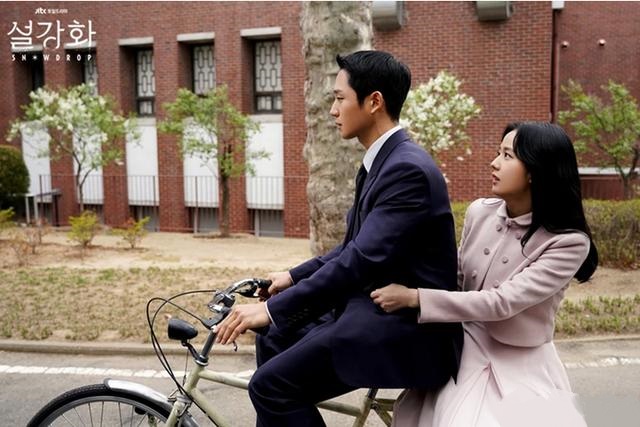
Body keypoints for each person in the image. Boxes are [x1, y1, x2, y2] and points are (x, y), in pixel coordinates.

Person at [215, 50, 464, 426]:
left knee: (270, 387)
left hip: (406, 329)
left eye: (339, 98)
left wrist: (270, 309)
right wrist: (293, 277)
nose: (333, 110)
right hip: (372, 311)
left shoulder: (406, 169)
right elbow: (352, 247)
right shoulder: (385, 161)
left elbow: (360, 260)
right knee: (273, 336)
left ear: (374, 102)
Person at [371, 121, 598, 427]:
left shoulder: (568, 242)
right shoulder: (480, 212)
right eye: (497, 152)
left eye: (507, 156)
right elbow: (457, 279)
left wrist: (415, 297)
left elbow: (502, 302)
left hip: (520, 359)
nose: (494, 163)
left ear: (535, 171)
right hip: (464, 344)